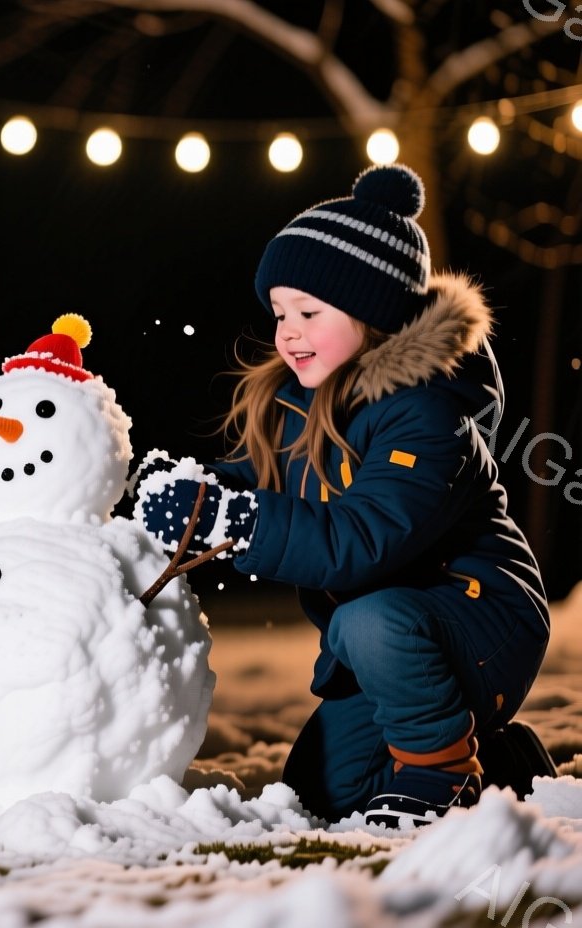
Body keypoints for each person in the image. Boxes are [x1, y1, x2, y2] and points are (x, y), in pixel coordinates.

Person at [133, 164, 553, 829]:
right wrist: (198, 493)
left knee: (369, 620)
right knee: (320, 791)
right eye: (279, 314)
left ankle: (439, 772)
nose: (288, 331)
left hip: (482, 620)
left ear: (374, 314)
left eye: (309, 312)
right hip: (387, 639)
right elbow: (256, 479)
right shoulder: (303, 403)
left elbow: (360, 541)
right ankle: (501, 764)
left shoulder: (430, 413)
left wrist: (240, 523)